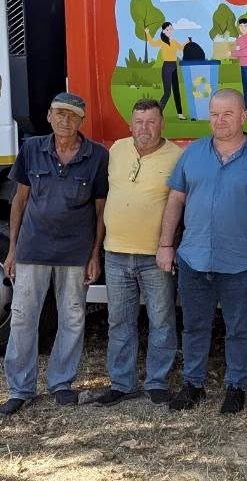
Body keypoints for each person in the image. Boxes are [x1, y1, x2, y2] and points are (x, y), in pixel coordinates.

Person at [157, 88, 247, 412]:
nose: (220, 120)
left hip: (240, 261)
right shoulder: (192, 153)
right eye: (214, 114)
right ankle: (193, 385)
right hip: (194, 258)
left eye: (228, 114)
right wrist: (165, 244)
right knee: (194, 326)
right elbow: (175, 199)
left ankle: (236, 387)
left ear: (243, 116)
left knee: (239, 329)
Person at [0, 92, 109, 416]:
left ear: (81, 121)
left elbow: (100, 211)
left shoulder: (97, 156)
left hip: (75, 252)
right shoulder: (32, 149)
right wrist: (12, 249)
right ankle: (20, 389)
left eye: (72, 116)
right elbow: (19, 202)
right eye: (59, 113)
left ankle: (61, 383)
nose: (65, 120)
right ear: (48, 116)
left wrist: (95, 254)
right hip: (32, 249)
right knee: (23, 318)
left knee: (72, 318)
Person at [94, 98, 183, 407]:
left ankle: (157, 382)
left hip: (154, 255)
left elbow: (181, 205)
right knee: (119, 321)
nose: (145, 128)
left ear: (162, 124)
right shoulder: (117, 150)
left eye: (151, 122)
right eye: (139, 122)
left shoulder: (176, 156)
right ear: (130, 125)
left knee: (162, 320)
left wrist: (169, 246)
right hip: (115, 252)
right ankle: (122, 383)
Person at [146, 22, 185, 120]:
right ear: (163, 31)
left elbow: (181, 48)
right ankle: (157, 113)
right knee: (167, 93)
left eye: (171, 29)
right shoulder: (161, 41)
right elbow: (152, 43)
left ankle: (180, 114)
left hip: (174, 66)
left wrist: (187, 42)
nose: (169, 31)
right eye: (167, 29)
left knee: (176, 91)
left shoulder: (173, 41)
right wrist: (147, 33)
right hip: (167, 67)